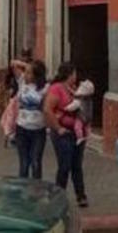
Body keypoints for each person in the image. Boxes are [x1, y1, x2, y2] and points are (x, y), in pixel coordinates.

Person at [44, 62, 88, 208]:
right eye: (74, 74)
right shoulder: (56, 89)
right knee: (64, 165)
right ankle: (59, 196)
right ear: (69, 74)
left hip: (77, 134)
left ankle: (81, 195)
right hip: (63, 134)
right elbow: (47, 110)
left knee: (77, 165)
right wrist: (58, 128)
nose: (76, 77)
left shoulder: (74, 89)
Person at [10, 58, 49, 180]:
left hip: (38, 130)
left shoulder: (45, 88)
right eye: (25, 72)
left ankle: (36, 190)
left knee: (36, 162)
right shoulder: (22, 82)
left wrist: (34, 67)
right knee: (24, 163)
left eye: (29, 73)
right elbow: (14, 63)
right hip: (22, 128)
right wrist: (28, 66)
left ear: (36, 75)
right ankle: (23, 191)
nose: (25, 74)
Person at [63, 79, 95, 145]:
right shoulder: (88, 99)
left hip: (81, 116)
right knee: (87, 128)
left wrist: (66, 108)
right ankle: (88, 137)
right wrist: (69, 89)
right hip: (89, 117)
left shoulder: (79, 100)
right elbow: (75, 93)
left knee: (77, 127)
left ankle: (79, 137)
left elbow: (74, 106)